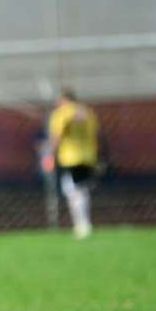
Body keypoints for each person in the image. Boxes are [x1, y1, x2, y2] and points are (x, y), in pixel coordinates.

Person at [47, 89, 100, 239]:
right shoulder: (88, 112)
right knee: (81, 190)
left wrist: (49, 155)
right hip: (88, 156)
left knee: (73, 191)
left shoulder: (61, 113)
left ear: (64, 99)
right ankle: (84, 224)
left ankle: (82, 225)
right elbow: (94, 132)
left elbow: (57, 135)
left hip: (70, 157)